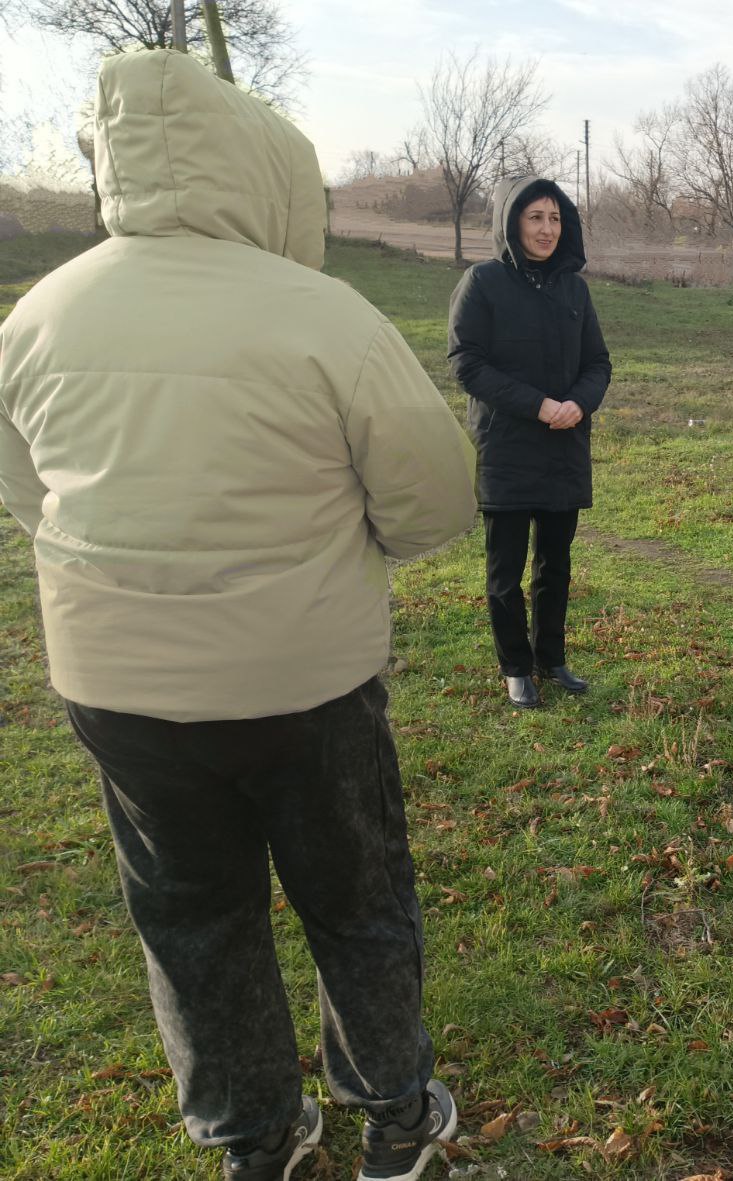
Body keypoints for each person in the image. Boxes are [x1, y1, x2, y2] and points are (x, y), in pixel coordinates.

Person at [0, 49, 476, 1181]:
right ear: (262, 168)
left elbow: (26, 491)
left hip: (120, 688)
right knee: (355, 899)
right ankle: (394, 1115)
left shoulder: (36, 318)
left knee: (190, 917)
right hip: (302, 681)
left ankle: (253, 1137)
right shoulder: (324, 314)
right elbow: (435, 495)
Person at [447, 176, 611, 710]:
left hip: (564, 447)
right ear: (510, 221)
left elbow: (598, 363)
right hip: (507, 449)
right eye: (535, 217)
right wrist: (538, 405)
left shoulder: (574, 290)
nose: (547, 229)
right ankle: (516, 668)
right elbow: (467, 363)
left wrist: (579, 403)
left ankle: (551, 657)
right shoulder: (482, 282)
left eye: (555, 218)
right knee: (506, 572)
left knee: (555, 566)